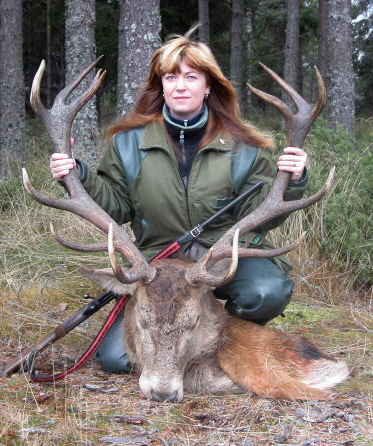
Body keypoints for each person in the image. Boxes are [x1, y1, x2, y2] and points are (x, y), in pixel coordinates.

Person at [49, 30, 309, 374]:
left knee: (266, 291)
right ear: (161, 86)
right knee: (118, 359)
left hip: (223, 257)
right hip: (159, 262)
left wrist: (293, 180)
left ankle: (226, 338)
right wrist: (77, 174)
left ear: (208, 86)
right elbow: (116, 205)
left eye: (191, 76)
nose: (180, 85)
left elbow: (261, 215)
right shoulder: (127, 143)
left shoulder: (244, 145)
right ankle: (182, 340)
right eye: (171, 77)